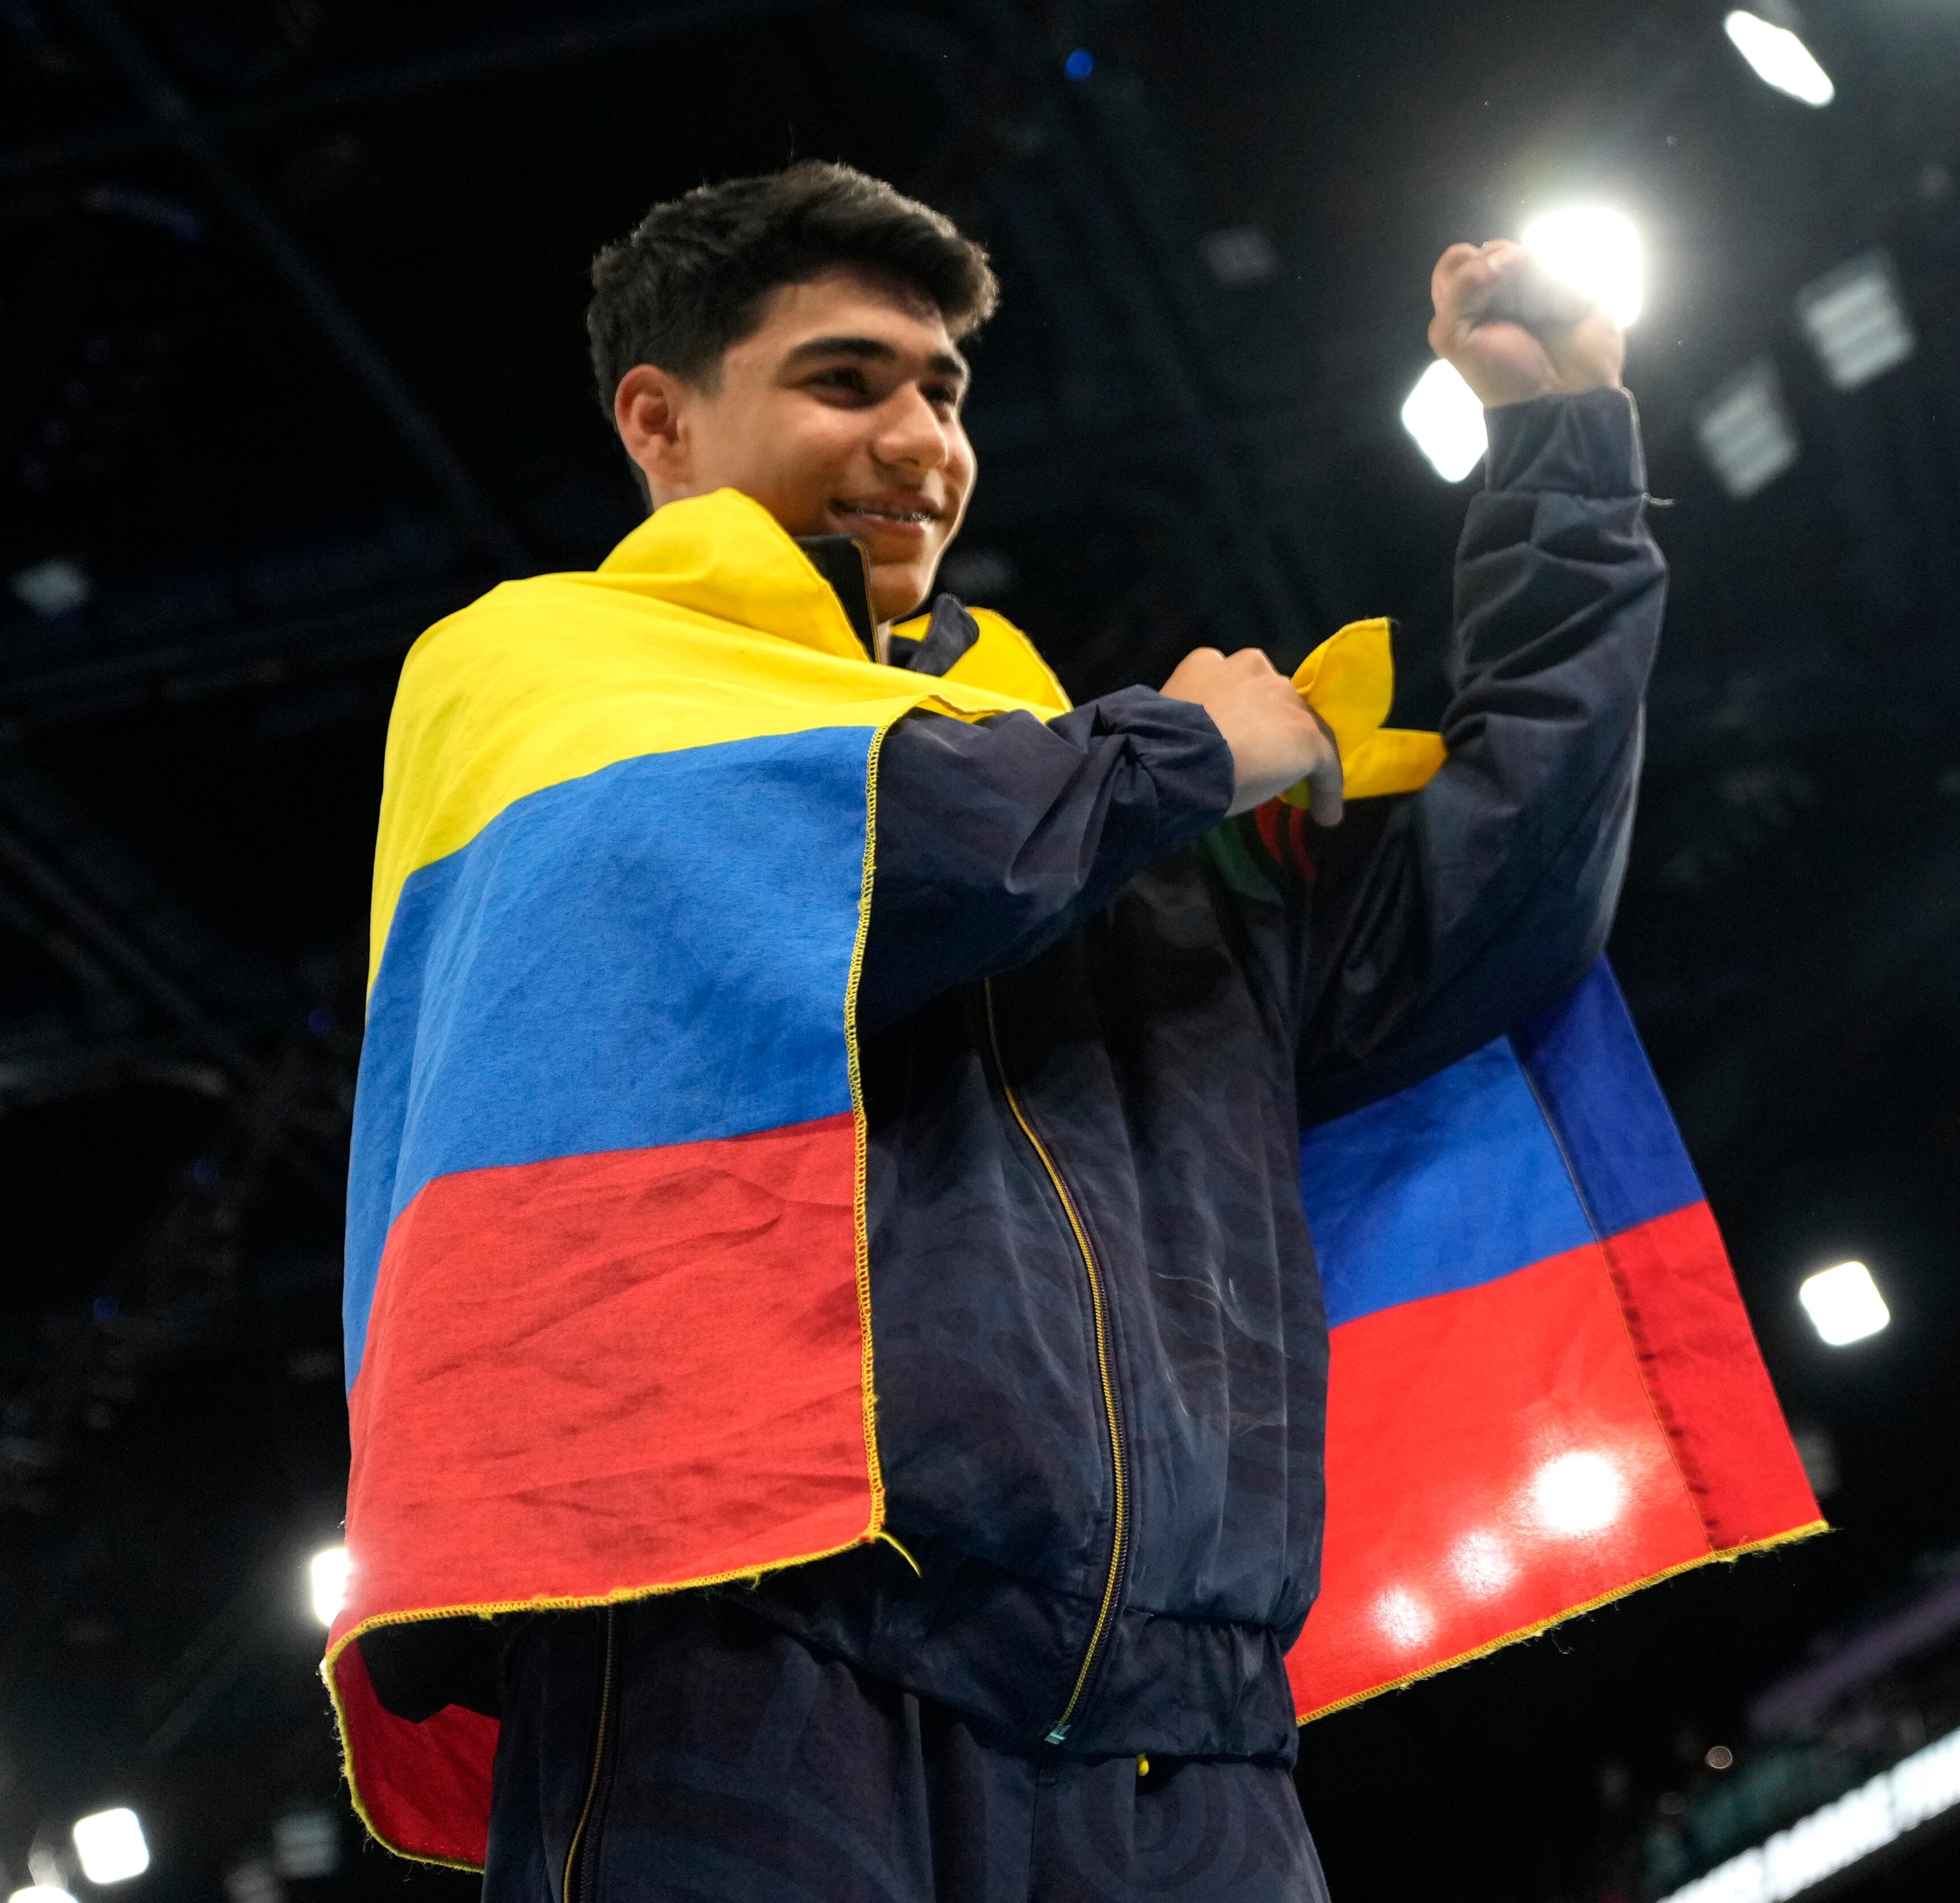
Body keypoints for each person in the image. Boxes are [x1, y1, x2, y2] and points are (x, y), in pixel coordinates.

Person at [344, 160, 1663, 1901]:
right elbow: (863, 855)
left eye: (944, 391)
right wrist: (1182, 758)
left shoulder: (1078, 783)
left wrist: (1566, 455)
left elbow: (1494, 912)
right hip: (751, 1649)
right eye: (847, 381)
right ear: (658, 423)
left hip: (1182, 1727)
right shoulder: (543, 675)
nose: (919, 439)